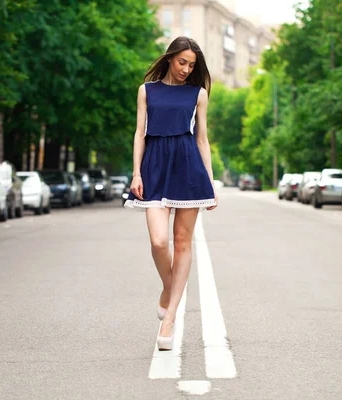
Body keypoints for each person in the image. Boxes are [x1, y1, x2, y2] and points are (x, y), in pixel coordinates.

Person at [124, 36, 217, 350]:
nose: (186, 69)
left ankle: (170, 316)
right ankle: (169, 289)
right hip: (153, 167)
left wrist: (211, 181)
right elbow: (140, 132)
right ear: (169, 58)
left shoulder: (198, 94)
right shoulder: (146, 91)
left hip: (188, 168)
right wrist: (136, 172)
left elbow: (202, 140)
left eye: (191, 65)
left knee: (181, 242)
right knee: (158, 241)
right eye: (182, 62)